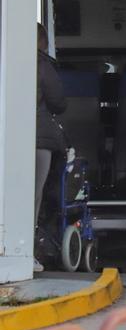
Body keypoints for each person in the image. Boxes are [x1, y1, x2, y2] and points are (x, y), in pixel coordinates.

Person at [35, 23, 68, 273]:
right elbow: (57, 102)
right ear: (43, 41)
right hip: (38, 138)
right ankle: (26, 252)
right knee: (34, 196)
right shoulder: (43, 64)